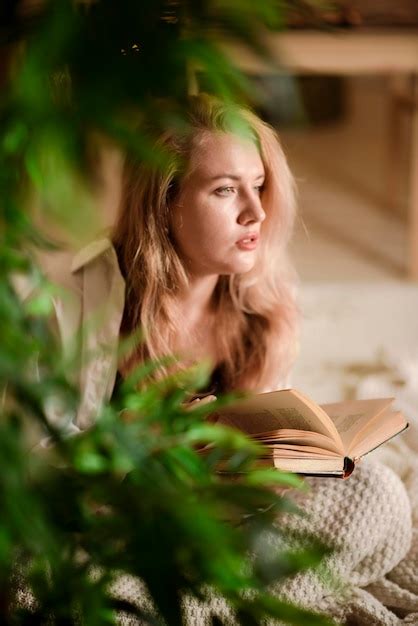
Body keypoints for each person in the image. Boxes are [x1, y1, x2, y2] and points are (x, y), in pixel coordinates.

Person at [24, 94, 416, 624]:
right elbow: (35, 469)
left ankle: (183, 608)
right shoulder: (72, 306)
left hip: (226, 525)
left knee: (382, 497)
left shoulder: (263, 303)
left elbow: (264, 449)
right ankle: (228, 604)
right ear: (165, 201)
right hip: (124, 530)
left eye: (258, 186)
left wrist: (292, 463)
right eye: (225, 190)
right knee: (31, 579)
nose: (255, 212)